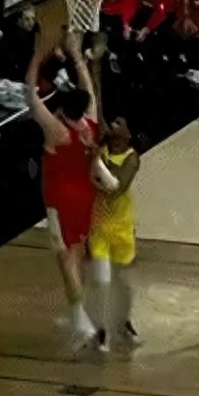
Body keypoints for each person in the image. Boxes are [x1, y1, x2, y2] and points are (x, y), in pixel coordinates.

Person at [26, 29, 113, 349]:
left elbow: (30, 96)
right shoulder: (90, 122)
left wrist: (36, 58)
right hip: (86, 196)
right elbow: (87, 88)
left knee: (65, 259)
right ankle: (87, 311)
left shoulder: (57, 131)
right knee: (79, 252)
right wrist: (77, 55)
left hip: (60, 198)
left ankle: (80, 320)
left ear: (63, 108)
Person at [89, 115, 142, 352]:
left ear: (128, 134)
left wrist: (96, 163)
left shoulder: (132, 158)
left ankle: (124, 320)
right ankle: (101, 329)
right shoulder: (100, 150)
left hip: (121, 227)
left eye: (120, 122)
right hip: (99, 224)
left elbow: (115, 188)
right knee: (101, 279)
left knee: (120, 279)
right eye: (113, 122)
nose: (113, 125)